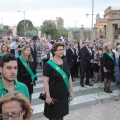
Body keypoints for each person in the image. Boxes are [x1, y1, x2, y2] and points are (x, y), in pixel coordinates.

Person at [43, 42, 74, 120]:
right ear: (54, 51)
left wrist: (71, 91)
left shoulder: (65, 62)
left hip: (63, 95)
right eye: (59, 50)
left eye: (62, 49)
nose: (62, 51)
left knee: (61, 116)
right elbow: (45, 81)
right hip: (54, 96)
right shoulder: (49, 64)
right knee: (53, 117)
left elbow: (69, 77)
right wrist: (48, 96)